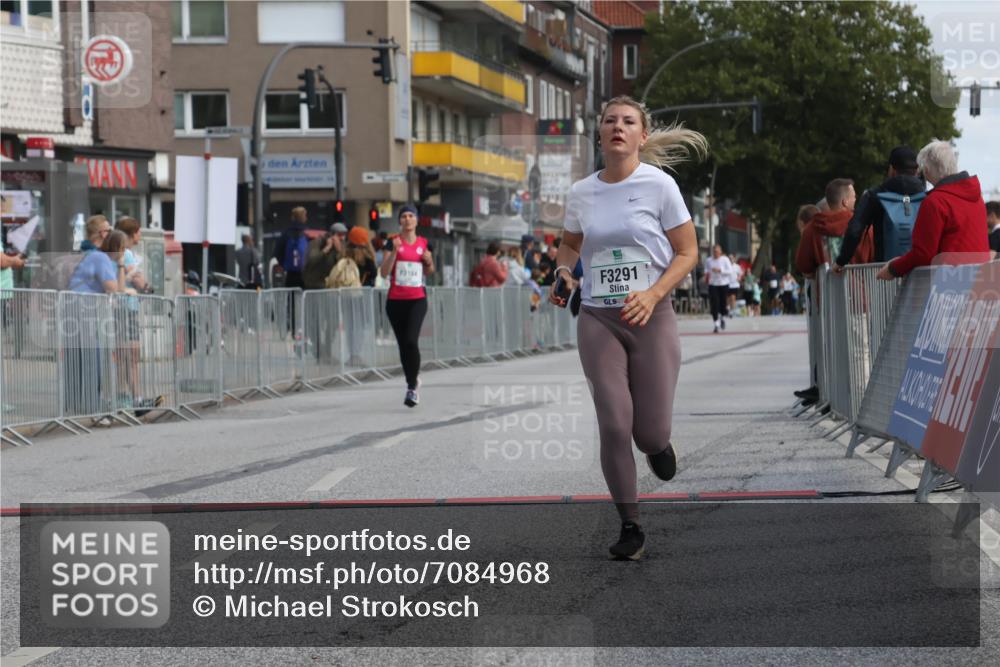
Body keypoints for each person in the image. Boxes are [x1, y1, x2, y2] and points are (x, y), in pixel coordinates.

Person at [549, 95, 705, 560]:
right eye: (610, 121)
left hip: (651, 319)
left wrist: (654, 294)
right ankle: (630, 525)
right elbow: (570, 246)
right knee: (615, 424)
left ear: (642, 135)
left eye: (628, 121)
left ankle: (658, 446)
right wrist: (564, 273)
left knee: (648, 434)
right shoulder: (581, 193)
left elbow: (687, 252)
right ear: (599, 134)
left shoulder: (659, 186)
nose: (618, 127)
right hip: (599, 317)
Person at [877, 140, 990, 280]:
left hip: (951, 284)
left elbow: (923, 253)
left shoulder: (935, 201)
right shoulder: (977, 198)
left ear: (928, 170)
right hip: (980, 280)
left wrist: (893, 268)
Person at [833, 146, 924, 272]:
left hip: (885, 271)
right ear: (917, 170)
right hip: (920, 271)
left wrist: (841, 261)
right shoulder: (929, 197)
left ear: (892, 169)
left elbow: (854, 230)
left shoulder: (874, 195)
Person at [380, 205, 434, 407]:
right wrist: (394, 251)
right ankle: (411, 379)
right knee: (403, 345)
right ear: (400, 221)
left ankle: (412, 388)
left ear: (417, 220)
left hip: (417, 299)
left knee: (411, 341)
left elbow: (429, 271)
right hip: (395, 301)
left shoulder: (424, 242)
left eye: (411, 215)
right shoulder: (392, 242)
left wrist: (428, 262)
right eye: (404, 216)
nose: (408, 219)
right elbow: (384, 273)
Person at [796, 179, 873, 279]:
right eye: (854, 197)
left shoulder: (811, 229)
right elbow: (875, 258)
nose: (855, 199)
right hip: (857, 291)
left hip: (826, 291)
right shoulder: (863, 226)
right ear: (844, 202)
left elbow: (804, 266)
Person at [272, 206, 310, 288]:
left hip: (290, 273)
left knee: (291, 298)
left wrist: (283, 264)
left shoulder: (286, 233)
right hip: (306, 273)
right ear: (303, 217)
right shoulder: (308, 233)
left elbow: (277, 252)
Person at [304, 222, 346, 290]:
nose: (342, 238)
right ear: (332, 235)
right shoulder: (317, 242)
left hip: (331, 285)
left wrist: (339, 251)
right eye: (340, 235)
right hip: (315, 284)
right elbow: (311, 260)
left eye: (344, 235)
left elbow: (344, 265)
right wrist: (326, 249)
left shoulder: (341, 245)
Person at [704, 245, 733, 333]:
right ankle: (716, 324)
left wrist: (720, 270)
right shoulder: (709, 260)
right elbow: (706, 270)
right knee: (714, 303)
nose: (715, 253)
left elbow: (730, 271)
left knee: (722, 303)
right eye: (714, 251)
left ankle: (722, 318)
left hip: (723, 284)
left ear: (720, 252)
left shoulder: (725, 259)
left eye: (717, 251)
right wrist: (706, 276)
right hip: (713, 284)